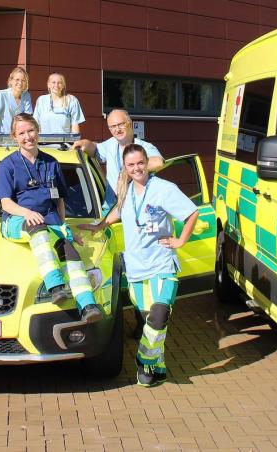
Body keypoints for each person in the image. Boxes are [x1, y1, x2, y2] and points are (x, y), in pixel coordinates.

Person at [79, 143, 198, 387]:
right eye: (131, 165)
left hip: (162, 264)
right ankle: (157, 368)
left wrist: (180, 240)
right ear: (125, 167)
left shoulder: (164, 189)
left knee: (159, 315)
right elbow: (118, 211)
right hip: (136, 269)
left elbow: (191, 213)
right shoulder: (126, 191)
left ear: (147, 163)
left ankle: (144, 358)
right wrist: (99, 226)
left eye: (140, 163)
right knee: (151, 324)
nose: (136, 168)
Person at [0, 113, 103, 323]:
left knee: (70, 251)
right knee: (37, 227)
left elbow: (59, 200)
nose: (27, 136)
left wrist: (64, 229)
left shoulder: (51, 162)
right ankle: (56, 287)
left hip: (50, 221)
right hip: (17, 220)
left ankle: (88, 305)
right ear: (14, 136)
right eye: (21, 133)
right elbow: (6, 203)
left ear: (38, 130)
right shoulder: (7, 165)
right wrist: (27, 213)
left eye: (31, 131)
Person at [74, 109, 164, 209]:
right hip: (111, 208)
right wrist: (85, 143)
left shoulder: (144, 147)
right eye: (112, 126)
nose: (117, 129)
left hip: (137, 208)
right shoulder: (110, 144)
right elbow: (94, 149)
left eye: (120, 124)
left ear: (129, 123)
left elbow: (158, 162)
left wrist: (128, 171)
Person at [0, 67, 33, 134]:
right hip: (2, 138)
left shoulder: (26, 96)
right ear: (11, 80)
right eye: (17, 79)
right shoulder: (0, 95)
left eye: (23, 80)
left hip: (20, 138)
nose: (20, 83)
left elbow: (28, 121)